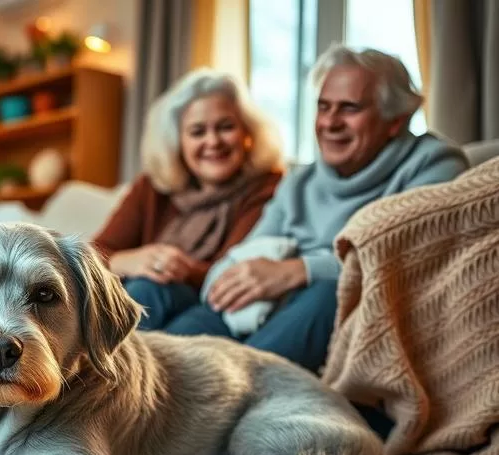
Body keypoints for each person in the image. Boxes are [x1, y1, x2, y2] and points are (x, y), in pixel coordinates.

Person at [165, 45, 470, 374]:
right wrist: (228, 278)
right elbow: (235, 260)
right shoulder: (300, 181)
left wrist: (299, 270)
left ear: (394, 120)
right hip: (258, 311)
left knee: (330, 294)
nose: (330, 122)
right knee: (164, 359)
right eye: (323, 107)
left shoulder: (433, 163)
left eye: (349, 108)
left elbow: (408, 256)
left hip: (327, 308)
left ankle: (238, 398)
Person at [92, 69, 285, 331]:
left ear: (247, 133)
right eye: (197, 132)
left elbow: (231, 272)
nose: (213, 141)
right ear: (178, 142)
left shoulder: (269, 187)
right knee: (139, 290)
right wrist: (130, 260)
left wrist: (179, 268)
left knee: (147, 291)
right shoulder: (151, 187)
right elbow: (94, 254)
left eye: (226, 127)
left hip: (210, 306)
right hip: (141, 293)